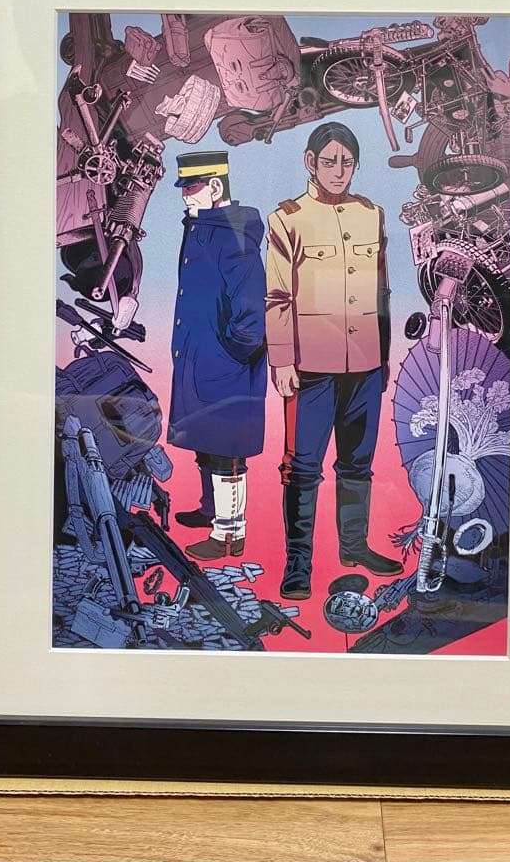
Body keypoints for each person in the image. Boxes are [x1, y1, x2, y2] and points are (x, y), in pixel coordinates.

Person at [265, 122, 402, 599]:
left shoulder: (372, 215)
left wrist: (383, 360)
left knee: (358, 463)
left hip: (364, 363)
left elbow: (382, 293)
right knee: (302, 467)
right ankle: (298, 565)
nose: (339, 170)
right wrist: (282, 362)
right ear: (310, 162)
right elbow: (278, 296)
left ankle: (354, 546)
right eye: (329, 161)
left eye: (347, 162)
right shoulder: (287, 219)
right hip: (311, 367)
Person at [168, 151, 266, 560]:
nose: (185, 196)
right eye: (184, 188)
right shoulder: (200, 227)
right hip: (199, 356)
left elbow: (252, 313)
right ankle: (211, 510)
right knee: (206, 442)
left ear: (215, 186)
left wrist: (229, 355)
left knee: (227, 451)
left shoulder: (233, 234)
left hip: (225, 365)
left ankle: (229, 533)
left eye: (192, 187)